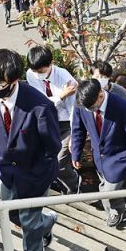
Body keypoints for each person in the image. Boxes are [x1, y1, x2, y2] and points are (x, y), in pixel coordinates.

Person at [0, 49, 61, 251]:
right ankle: (48, 221)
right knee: (13, 216)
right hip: (6, 170)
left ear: (14, 81)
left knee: (29, 221)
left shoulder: (40, 106)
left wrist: (38, 172)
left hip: (35, 173)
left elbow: (52, 146)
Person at [71, 79, 126, 226]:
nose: (89, 110)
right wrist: (76, 152)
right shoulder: (82, 104)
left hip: (119, 158)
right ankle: (117, 210)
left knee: (107, 192)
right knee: (105, 185)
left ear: (100, 95)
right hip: (98, 158)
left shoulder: (124, 107)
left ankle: (116, 213)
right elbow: (78, 129)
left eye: (92, 107)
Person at [25, 45, 79, 193]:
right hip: (48, 120)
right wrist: (61, 96)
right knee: (46, 159)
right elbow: (40, 102)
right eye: (35, 71)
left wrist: (75, 135)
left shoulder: (65, 78)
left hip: (67, 122)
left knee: (60, 161)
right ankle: (61, 186)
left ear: (50, 64)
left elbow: (73, 109)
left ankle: (73, 187)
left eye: (41, 71)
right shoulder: (31, 74)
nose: (38, 75)